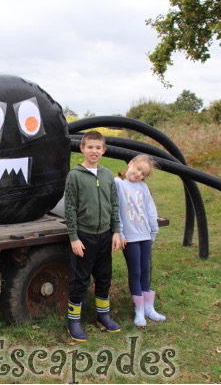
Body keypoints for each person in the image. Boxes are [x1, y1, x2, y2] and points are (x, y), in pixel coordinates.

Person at [64, 130, 121, 341]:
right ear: (82, 149)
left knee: (104, 276)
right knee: (80, 279)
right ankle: (74, 320)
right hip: (84, 237)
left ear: (104, 150)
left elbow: (114, 204)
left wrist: (116, 231)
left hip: (105, 235)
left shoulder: (107, 175)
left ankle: (103, 315)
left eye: (98, 148)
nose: (94, 151)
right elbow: (69, 208)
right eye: (90, 147)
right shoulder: (75, 176)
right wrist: (73, 237)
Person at [115, 154, 166, 328]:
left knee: (146, 271)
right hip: (130, 237)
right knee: (135, 271)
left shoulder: (143, 187)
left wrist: (154, 230)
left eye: (142, 173)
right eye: (137, 169)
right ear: (130, 163)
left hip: (145, 235)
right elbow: (116, 210)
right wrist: (120, 233)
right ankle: (138, 310)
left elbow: (150, 209)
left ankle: (149, 308)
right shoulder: (118, 184)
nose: (138, 174)